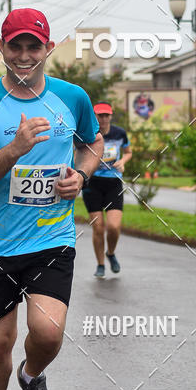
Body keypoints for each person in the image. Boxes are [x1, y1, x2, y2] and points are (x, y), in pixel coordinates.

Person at [0, 8, 103, 390]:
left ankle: (32, 375)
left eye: (33, 46)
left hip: (51, 237)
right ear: (1, 48)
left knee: (48, 332)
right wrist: (16, 148)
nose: (24, 55)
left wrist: (82, 174)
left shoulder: (71, 97)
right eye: (15, 46)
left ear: (48, 49)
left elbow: (93, 143)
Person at [82, 102, 131, 278]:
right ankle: (100, 264)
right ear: (94, 116)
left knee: (114, 226)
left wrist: (123, 162)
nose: (103, 119)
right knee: (98, 228)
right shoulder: (88, 133)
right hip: (93, 184)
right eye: (99, 115)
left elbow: (128, 151)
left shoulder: (119, 133)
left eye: (106, 115)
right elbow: (78, 152)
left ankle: (110, 253)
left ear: (110, 116)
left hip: (113, 184)